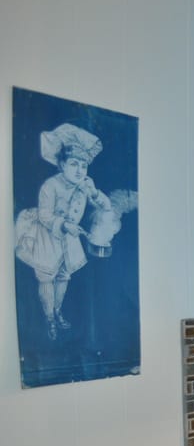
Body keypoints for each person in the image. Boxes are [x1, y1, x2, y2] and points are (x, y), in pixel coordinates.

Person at [14, 123, 113, 340]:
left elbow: (106, 206)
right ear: (61, 164)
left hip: (69, 239)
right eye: (74, 164)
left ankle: (58, 311)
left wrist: (94, 192)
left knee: (63, 276)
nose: (79, 170)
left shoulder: (85, 185)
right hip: (47, 237)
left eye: (84, 166)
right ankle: (49, 318)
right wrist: (64, 225)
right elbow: (45, 215)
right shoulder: (50, 186)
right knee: (46, 277)